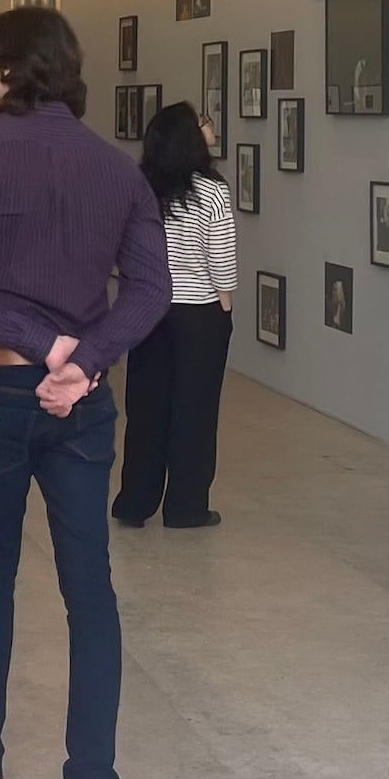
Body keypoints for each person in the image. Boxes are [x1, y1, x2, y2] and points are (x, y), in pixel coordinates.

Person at [0, 6, 169, 779]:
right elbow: (150, 290)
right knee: (89, 589)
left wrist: (44, 345)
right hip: (81, 405)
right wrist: (85, 360)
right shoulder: (116, 170)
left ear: (14, 69)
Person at [114, 101, 237, 530]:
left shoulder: (140, 186)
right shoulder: (213, 190)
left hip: (150, 311)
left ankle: (134, 501)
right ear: (190, 136)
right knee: (195, 410)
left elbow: (123, 248)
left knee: (146, 408)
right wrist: (226, 301)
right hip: (198, 313)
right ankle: (186, 506)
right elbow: (221, 257)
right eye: (203, 121)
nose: (210, 124)